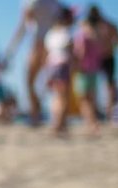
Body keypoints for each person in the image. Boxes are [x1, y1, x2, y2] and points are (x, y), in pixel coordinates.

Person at [6, 0, 63, 126]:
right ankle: (51, 116)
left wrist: (11, 49)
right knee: (53, 83)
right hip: (54, 44)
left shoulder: (33, 2)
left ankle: (36, 114)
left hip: (39, 43)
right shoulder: (56, 4)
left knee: (30, 81)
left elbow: (23, 25)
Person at [45, 7, 74, 136]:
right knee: (63, 97)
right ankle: (59, 125)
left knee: (56, 96)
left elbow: (47, 52)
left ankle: (58, 123)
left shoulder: (50, 34)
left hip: (51, 66)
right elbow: (71, 50)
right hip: (62, 66)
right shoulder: (66, 32)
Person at [74, 9, 104, 136]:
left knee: (83, 99)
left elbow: (81, 52)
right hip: (94, 69)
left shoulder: (83, 35)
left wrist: (77, 64)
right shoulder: (97, 35)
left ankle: (91, 124)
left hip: (84, 69)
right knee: (92, 99)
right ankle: (94, 122)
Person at [87, 5, 118, 120]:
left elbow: (116, 33)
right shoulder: (90, 25)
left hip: (107, 57)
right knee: (94, 85)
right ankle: (96, 111)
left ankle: (109, 113)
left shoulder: (106, 24)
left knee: (109, 85)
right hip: (97, 58)